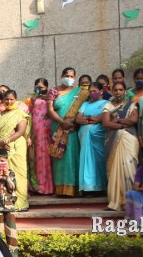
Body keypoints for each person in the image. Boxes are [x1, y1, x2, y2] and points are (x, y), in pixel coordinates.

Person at [101, 80, 140, 212]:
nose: (118, 92)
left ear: (125, 91)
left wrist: (116, 121)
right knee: (114, 170)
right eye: (115, 90)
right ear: (112, 91)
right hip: (113, 140)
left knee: (129, 167)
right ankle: (116, 201)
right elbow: (106, 123)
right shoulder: (108, 105)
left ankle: (131, 202)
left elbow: (134, 120)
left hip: (130, 139)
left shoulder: (132, 105)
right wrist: (123, 124)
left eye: (120, 90)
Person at [48, 68, 87, 196]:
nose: (69, 78)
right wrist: (61, 122)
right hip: (58, 128)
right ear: (61, 75)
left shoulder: (80, 93)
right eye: (66, 75)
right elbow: (50, 110)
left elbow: (84, 110)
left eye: (71, 76)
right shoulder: (54, 91)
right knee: (60, 157)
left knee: (72, 156)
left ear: (75, 78)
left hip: (73, 128)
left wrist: (73, 122)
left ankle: (74, 188)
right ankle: (60, 189)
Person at [0, 89, 28, 210]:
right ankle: (3, 201)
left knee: (18, 173)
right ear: (2, 100)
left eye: (12, 99)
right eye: (6, 99)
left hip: (16, 146)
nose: (9, 101)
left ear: (16, 100)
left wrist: (7, 140)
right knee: (0, 173)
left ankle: (20, 203)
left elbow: (21, 131)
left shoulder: (20, 113)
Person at [76, 85, 109, 195]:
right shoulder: (85, 104)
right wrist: (92, 120)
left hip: (98, 135)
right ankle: (88, 187)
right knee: (86, 159)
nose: (92, 93)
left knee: (99, 160)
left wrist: (88, 119)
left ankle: (100, 187)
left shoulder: (106, 103)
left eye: (94, 91)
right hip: (84, 135)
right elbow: (78, 119)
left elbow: (102, 118)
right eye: (90, 91)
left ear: (101, 91)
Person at [26, 78, 55, 196]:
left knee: (45, 158)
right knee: (35, 158)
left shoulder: (51, 98)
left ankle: (46, 187)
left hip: (46, 131)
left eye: (42, 87)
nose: (39, 89)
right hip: (34, 133)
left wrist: (47, 99)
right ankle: (35, 186)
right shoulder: (31, 99)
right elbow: (27, 114)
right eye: (37, 86)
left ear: (47, 87)